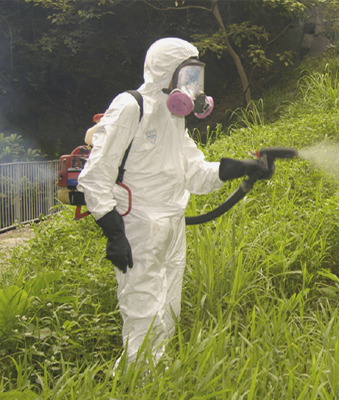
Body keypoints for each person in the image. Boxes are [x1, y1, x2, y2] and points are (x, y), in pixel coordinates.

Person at [78, 37, 270, 366]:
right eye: (187, 76)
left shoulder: (173, 117)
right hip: (139, 225)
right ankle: (135, 379)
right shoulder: (131, 107)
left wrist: (241, 168)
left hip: (171, 223)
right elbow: (95, 176)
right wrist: (113, 232)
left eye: (196, 77)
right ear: (167, 72)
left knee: (169, 306)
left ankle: (158, 372)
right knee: (143, 308)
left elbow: (194, 173)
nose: (193, 86)